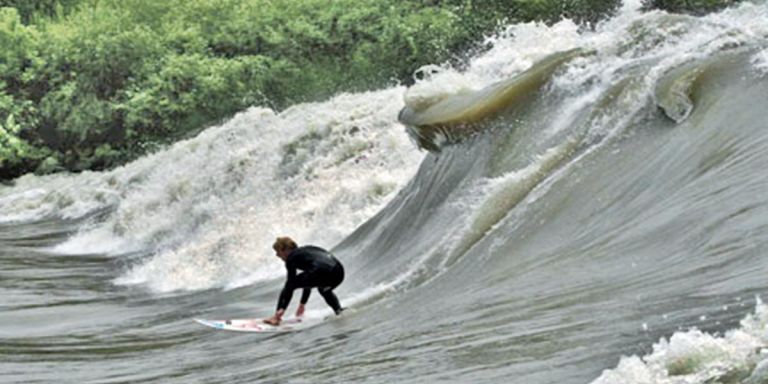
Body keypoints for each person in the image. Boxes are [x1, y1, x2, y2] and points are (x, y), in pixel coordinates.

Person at [264, 237, 345, 325]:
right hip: (338, 272)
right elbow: (308, 281)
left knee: (289, 285)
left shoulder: (291, 258)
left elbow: (290, 284)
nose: (277, 255)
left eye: (278, 251)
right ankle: (339, 311)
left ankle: (276, 317)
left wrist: (282, 308)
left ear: (285, 249)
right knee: (323, 290)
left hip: (321, 272)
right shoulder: (307, 250)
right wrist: (302, 304)